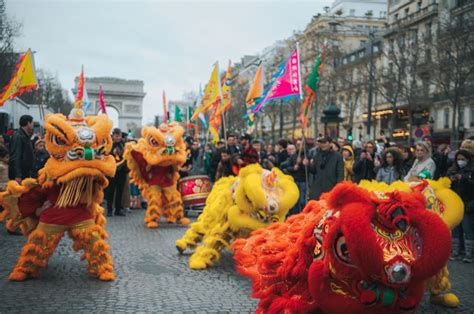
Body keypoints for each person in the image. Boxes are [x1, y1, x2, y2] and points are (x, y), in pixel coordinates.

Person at [447, 150, 474, 262]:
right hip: (455, 204)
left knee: (467, 228)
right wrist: (450, 180)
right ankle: (455, 251)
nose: (460, 161)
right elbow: (446, 184)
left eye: (462, 159)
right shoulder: (452, 170)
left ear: (468, 159)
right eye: (458, 159)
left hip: (467, 203)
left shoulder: (471, 170)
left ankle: (469, 254)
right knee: (455, 229)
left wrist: (463, 179)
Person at [304, 136, 344, 200]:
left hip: (331, 187)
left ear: (330, 143)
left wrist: (338, 187)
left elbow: (340, 172)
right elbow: (314, 170)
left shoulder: (337, 156)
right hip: (318, 188)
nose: (322, 145)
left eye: (325, 143)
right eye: (321, 143)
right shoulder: (317, 155)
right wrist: (308, 165)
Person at [106, 128, 127, 217]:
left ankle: (118, 209)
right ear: (113, 136)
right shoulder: (109, 145)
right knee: (110, 191)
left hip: (122, 171)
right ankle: (109, 209)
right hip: (112, 170)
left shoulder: (124, 145)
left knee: (120, 191)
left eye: (119, 136)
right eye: (116, 136)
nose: (118, 138)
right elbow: (106, 154)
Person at [283, 142, 307, 215]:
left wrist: (303, 164)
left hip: (303, 180)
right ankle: (295, 215)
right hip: (295, 180)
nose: (299, 146)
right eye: (298, 145)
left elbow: (310, 169)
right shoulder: (293, 156)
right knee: (295, 201)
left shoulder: (306, 155)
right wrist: (293, 168)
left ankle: (303, 214)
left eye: (301, 144)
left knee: (302, 201)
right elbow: (287, 167)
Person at [9, 115, 35, 181]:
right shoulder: (18, 136)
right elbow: (15, 156)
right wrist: (17, 175)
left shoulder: (25, 136)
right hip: (20, 176)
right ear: (28, 123)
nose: (33, 125)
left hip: (25, 173)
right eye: (32, 123)